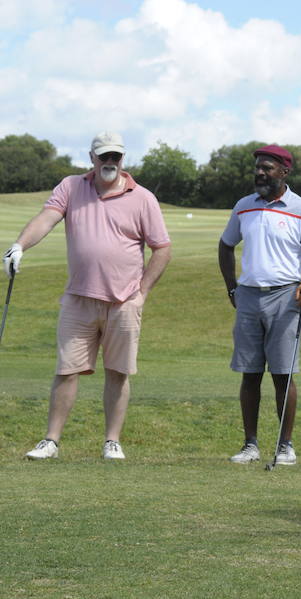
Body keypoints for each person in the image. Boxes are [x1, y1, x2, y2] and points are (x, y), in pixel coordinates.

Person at [4, 132, 172, 460]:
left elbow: (162, 249)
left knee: (118, 371)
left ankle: (112, 441)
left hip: (124, 300)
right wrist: (19, 245)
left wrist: (142, 293)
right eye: (103, 156)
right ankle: (51, 441)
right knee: (67, 370)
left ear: (123, 159)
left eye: (115, 157)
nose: (110, 162)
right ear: (91, 158)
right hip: (79, 298)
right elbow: (47, 219)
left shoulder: (143, 197)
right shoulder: (71, 187)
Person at [218, 144, 301, 466]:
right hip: (249, 295)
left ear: (284, 172)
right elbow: (225, 246)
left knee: (283, 374)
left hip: (287, 297)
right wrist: (231, 289)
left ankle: (285, 447)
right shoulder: (244, 206)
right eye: (258, 167)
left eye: (267, 167)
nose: (260, 173)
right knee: (250, 374)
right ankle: (250, 445)